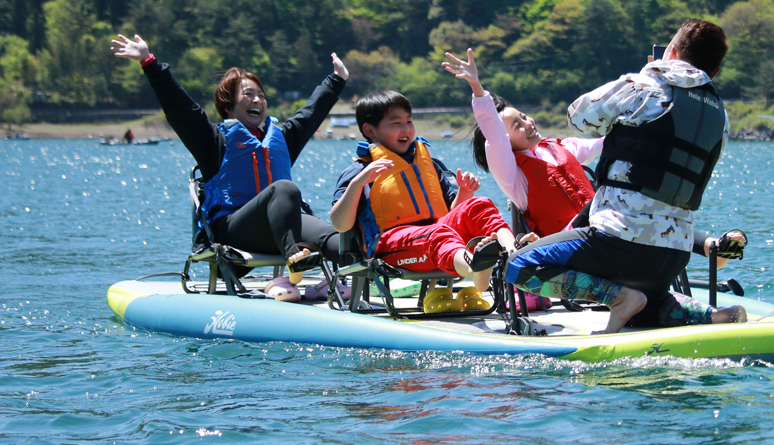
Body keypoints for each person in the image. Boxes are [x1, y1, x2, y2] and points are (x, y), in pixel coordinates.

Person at [444, 47, 746, 325]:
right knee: (630, 216)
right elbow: (493, 136)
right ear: (504, 141)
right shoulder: (513, 175)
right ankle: (705, 253)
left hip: (609, 232)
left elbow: (612, 138)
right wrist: (476, 88)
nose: (527, 124)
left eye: (523, 117)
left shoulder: (562, 147)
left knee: (637, 208)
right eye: (516, 127)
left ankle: (712, 280)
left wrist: (649, 97)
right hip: (573, 248)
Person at [111, 33, 346, 287]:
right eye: (248, 94)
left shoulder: (282, 138)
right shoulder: (214, 141)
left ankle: (370, 275)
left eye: (261, 95)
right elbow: (181, 109)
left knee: (337, 238)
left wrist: (337, 80)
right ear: (228, 106)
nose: (257, 100)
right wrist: (150, 63)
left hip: (281, 228)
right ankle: (294, 259)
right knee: (285, 189)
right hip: (234, 231)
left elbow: (310, 114)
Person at [330, 90, 519, 295]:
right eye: (396, 124)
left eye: (409, 122)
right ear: (370, 130)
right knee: (437, 234)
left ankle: (514, 253)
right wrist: (357, 184)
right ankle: (475, 269)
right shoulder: (359, 172)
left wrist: (464, 192)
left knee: (479, 204)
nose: (406, 129)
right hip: (390, 247)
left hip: (436, 236)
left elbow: (449, 215)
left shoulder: (431, 166)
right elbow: (340, 224)